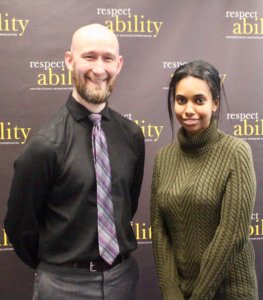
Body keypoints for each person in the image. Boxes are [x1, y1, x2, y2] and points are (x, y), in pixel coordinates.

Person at [4, 24, 145, 300]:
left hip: (122, 280)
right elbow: (20, 227)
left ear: (119, 64)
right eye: (89, 57)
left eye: (107, 58)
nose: (99, 69)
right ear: (69, 60)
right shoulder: (45, 145)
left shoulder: (132, 136)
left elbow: (127, 206)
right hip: (62, 286)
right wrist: (59, 269)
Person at [151, 60, 258, 299]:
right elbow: (159, 233)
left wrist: (199, 295)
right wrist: (171, 293)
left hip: (230, 290)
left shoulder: (236, 152)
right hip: (181, 293)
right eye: (181, 100)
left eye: (199, 100)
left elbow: (232, 234)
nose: (188, 109)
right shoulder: (163, 158)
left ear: (215, 103)